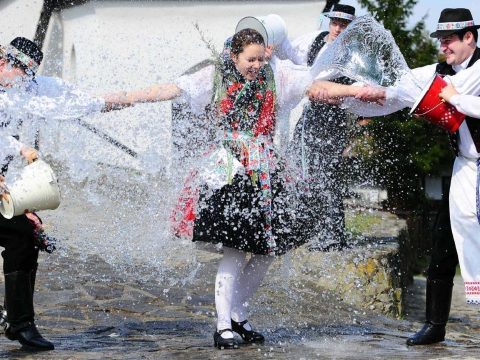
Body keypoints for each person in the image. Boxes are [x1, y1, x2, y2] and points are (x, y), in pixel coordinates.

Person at [105, 28, 332, 349]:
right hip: (229, 169)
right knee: (235, 250)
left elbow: (314, 86)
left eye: (260, 58)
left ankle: (239, 314)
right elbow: (169, 90)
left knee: (269, 250)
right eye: (249, 59)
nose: (256, 64)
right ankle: (223, 324)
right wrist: (122, 99)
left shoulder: (276, 77)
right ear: (235, 56)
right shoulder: (213, 77)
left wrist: (363, 92)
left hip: (266, 169)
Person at [307, 8, 480, 346]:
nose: (443, 47)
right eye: (441, 41)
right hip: (466, 168)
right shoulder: (438, 72)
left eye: (449, 41)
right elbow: (400, 89)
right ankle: (435, 325)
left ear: (469, 37)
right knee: (442, 243)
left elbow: (453, 95)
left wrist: (457, 99)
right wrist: (355, 91)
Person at [0, 37, 109, 351]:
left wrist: (21, 152)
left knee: (24, 233)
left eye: (29, 77)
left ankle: (20, 323)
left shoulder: (9, 95)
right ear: (8, 64)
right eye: (22, 73)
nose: (24, 82)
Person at [276, 3, 356, 251]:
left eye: (343, 25)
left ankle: (333, 234)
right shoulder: (317, 41)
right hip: (311, 114)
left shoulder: (354, 56)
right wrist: (274, 42)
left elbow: (353, 94)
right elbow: (294, 55)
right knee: (293, 162)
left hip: (334, 118)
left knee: (326, 173)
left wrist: (326, 95)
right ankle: (302, 225)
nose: (337, 28)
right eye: (334, 23)